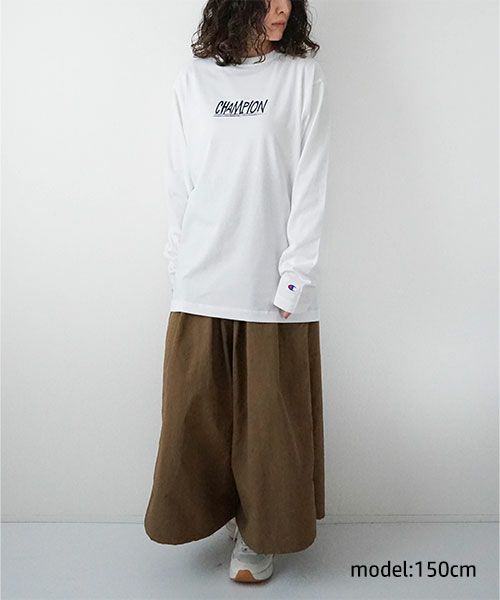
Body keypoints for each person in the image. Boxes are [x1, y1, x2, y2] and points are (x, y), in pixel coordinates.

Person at [144, 0, 331, 584]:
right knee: (197, 414)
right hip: (202, 280)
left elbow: (312, 183)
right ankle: (221, 512)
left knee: (269, 424)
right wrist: (179, 267)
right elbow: (180, 182)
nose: (283, 8)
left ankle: (260, 531)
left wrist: (295, 275)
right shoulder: (195, 80)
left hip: (270, 283)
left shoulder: (301, 78)